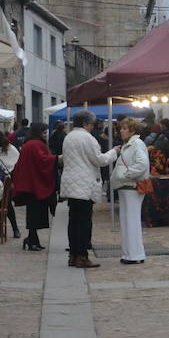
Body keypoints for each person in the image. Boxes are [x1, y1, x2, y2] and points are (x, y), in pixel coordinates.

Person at [60, 111, 117, 268]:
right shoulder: (87, 138)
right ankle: (82, 256)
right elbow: (100, 160)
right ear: (86, 124)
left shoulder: (69, 137)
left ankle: (73, 255)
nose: (93, 127)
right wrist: (114, 152)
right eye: (92, 124)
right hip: (84, 184)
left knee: (73, 222)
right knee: (84, 223)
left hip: (71, 183)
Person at [111, 117, 151, 265]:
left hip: (131, 187)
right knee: (127, 220)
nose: (121, 130)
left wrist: (126, 175)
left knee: (131, 221)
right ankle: (129, 253)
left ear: (132, 130)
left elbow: (142, 164)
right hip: (126, 187)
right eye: (121, 128)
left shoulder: (136, 144)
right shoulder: (130, 144)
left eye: (124, 128)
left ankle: (135, 254)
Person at [11, 123, 57, 252]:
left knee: (34, 213)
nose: (46, 135)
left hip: (30, 184)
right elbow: (43, 160)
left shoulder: (30, 144)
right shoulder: (36, 144)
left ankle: (33, 239)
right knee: (34, 214)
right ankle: (32, 240)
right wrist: (56, 159)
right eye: (44, 132)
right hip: (34, 184)